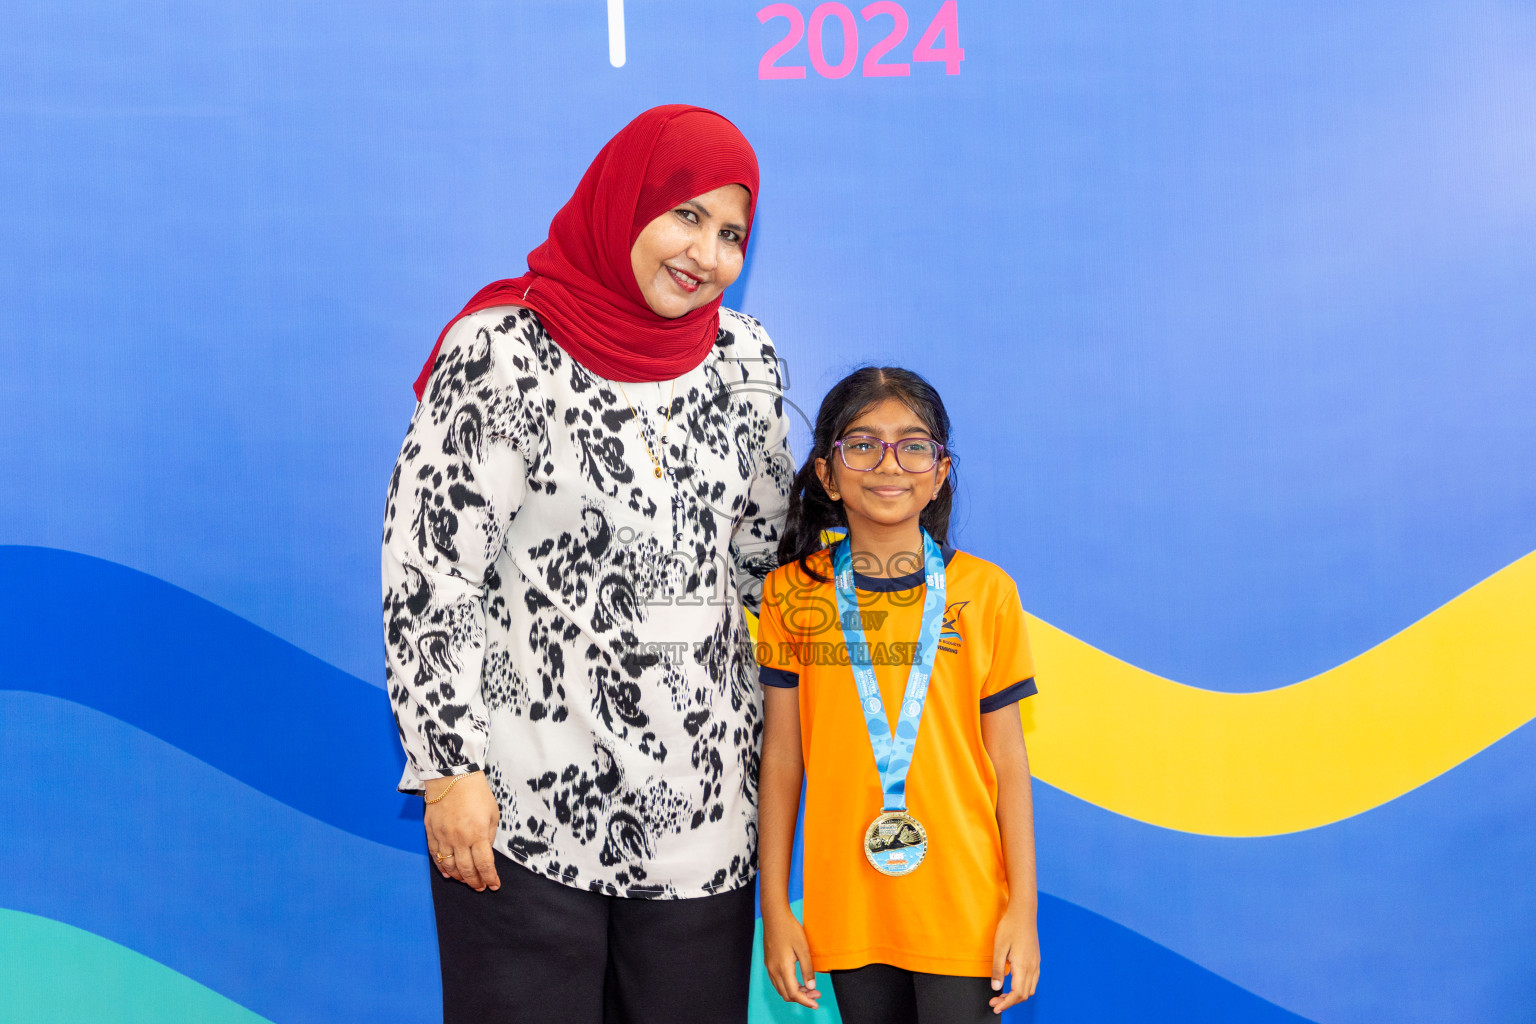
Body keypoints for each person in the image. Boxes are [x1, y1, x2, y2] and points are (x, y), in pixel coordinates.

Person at [381, 104, 791, 1024]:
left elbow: (767, 561)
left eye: (732, 233)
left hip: (704, 815)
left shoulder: (747, 360)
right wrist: (449, 769)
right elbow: (430, 573)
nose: (707, 253)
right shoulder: (502, 352)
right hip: (522, 812)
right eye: (686, 215)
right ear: (625, 202)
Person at [755, 367, 1042, 1022]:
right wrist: (775, 906)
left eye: (913, 445)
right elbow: (781, 762)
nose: (889, 463)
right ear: (828, 474)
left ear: (939, 471)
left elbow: (1011, 764)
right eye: (862, 444)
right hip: (848, 906)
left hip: (964, 907)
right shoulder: (792, 593)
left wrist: (1022, 909)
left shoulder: (985, 592)